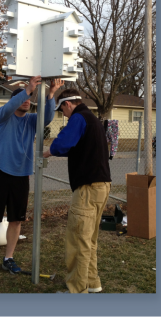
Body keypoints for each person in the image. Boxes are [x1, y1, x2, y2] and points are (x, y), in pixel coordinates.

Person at [0, 76, 60, 276]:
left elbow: (46, 118)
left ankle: (8, 258)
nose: (27, 101)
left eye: (30, 98)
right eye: (24, 98)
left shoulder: (31, 121)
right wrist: (27, 89)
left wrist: (51, 94)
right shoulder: (3, 117)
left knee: (16, 220)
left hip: (21, 176)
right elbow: (9, 105)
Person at [43, 90, 112, 294]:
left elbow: (63, 143)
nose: (63, 114)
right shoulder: (92, 119)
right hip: (102, 186)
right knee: (89, 238)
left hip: (88, 189)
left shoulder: (78, 117)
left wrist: (47, 151)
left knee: (78, 238)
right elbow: (74, 147)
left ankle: (76, 290)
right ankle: (92, 282)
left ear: (68, 104)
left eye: (62, 109)